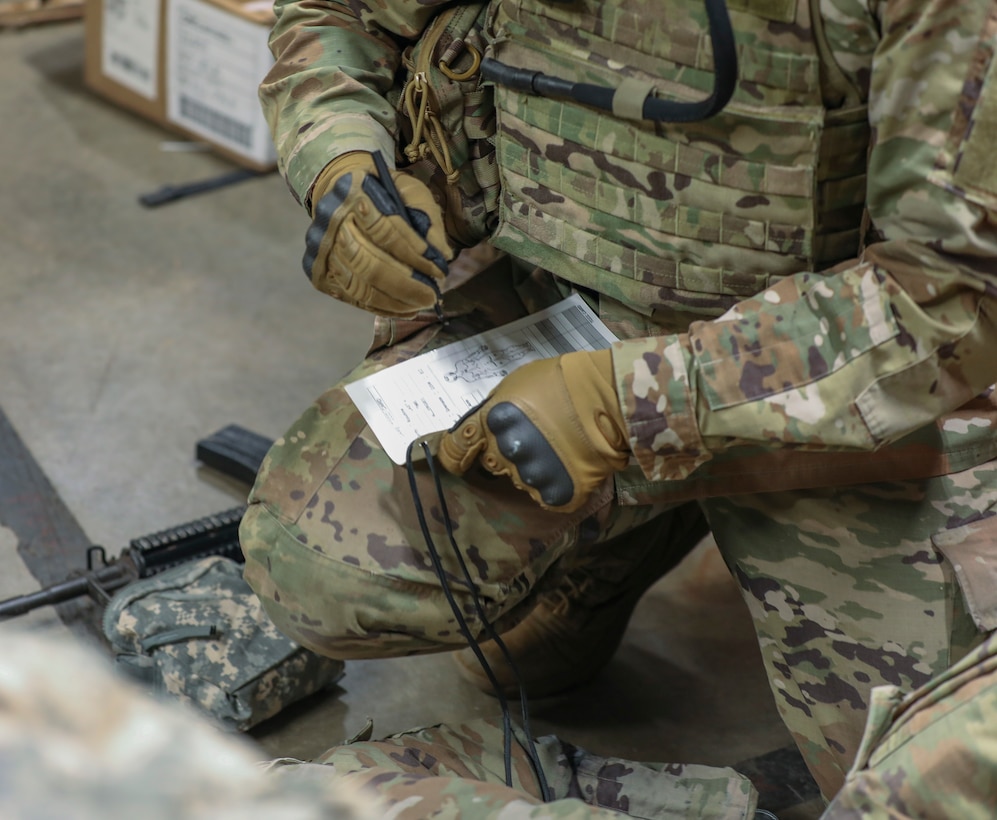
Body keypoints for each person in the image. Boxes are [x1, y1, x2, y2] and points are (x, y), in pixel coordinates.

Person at [240, 0, 997, 813]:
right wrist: (340, 159)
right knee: (315, 567)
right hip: (565, 303)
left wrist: (621, 406)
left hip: (848, 392)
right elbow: (335, 16)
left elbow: (952, 292)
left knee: (906, 787)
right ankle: (632, 539)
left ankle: (690, 488)